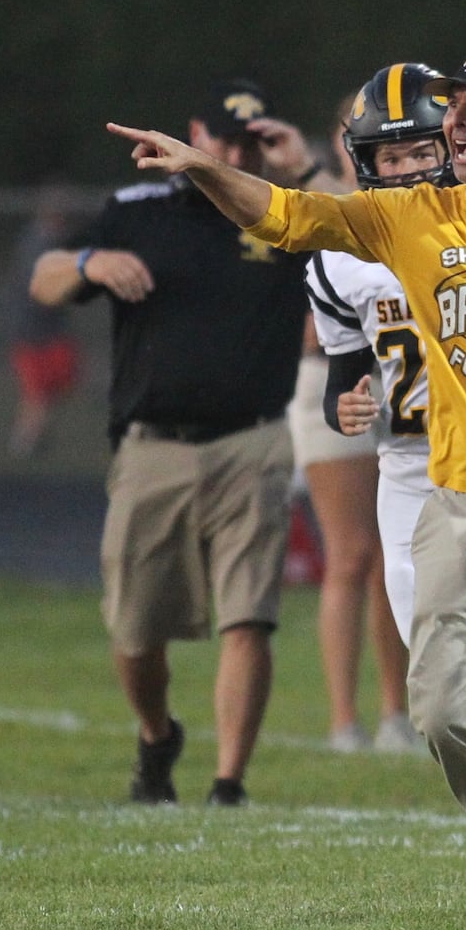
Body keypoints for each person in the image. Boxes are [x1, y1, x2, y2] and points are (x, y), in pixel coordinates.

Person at [107, 44, 466, 930]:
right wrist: (205, 167)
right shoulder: (407, 218)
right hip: (448, 487)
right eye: (450, 109)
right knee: (444, 709)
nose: (454, 125)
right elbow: (288, 216)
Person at [29, 78, 322, 806]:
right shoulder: (138, 211)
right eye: (223, 138)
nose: (233, 152)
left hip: (252, 442)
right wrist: (91, 265)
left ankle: (228, 783)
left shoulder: (282, 218)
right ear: (196, 133)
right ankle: (158, 734)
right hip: (153, 443)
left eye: (249, 142)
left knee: (249, 616)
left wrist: (303, 168)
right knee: (134, 627)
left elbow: (366, 229)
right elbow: (45, 277)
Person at [310, 61, 466, 789]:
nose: (406, 170)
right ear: (364, 161)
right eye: (390, 156)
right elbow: (348, 375)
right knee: (442, 668)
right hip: (410, 473)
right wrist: (344, 405)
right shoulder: (343, 255)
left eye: (418, 152)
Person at [286, 91, 420, 755]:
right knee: (351, 553)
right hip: (339, 376)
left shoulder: (431, 204)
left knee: (395, 557)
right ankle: (345, 718)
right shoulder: (327, 208)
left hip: (413, 384)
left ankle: (399, 709)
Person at [3, 184, 84, 457]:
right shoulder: (35, 243)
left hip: (50, 330)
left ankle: (31, 439)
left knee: (56, 383)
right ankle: (24, 443)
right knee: (37, 393)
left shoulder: (58, 239)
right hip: (32, 330)